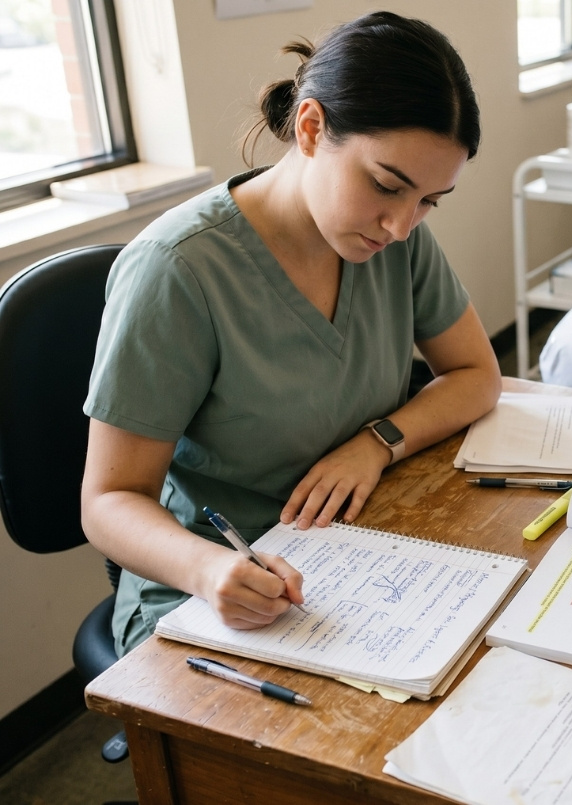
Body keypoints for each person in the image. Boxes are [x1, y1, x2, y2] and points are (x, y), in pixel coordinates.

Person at [80, 11, 501, 656]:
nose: (400, 226)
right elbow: (109, 500)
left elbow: (477, 376)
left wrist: (377, 443)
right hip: (219, 588)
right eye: (386, 185)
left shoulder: (394, 240)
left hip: (358, 552)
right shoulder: (179, 270)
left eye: (428, 201)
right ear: (310, 127)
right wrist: (209, 570)